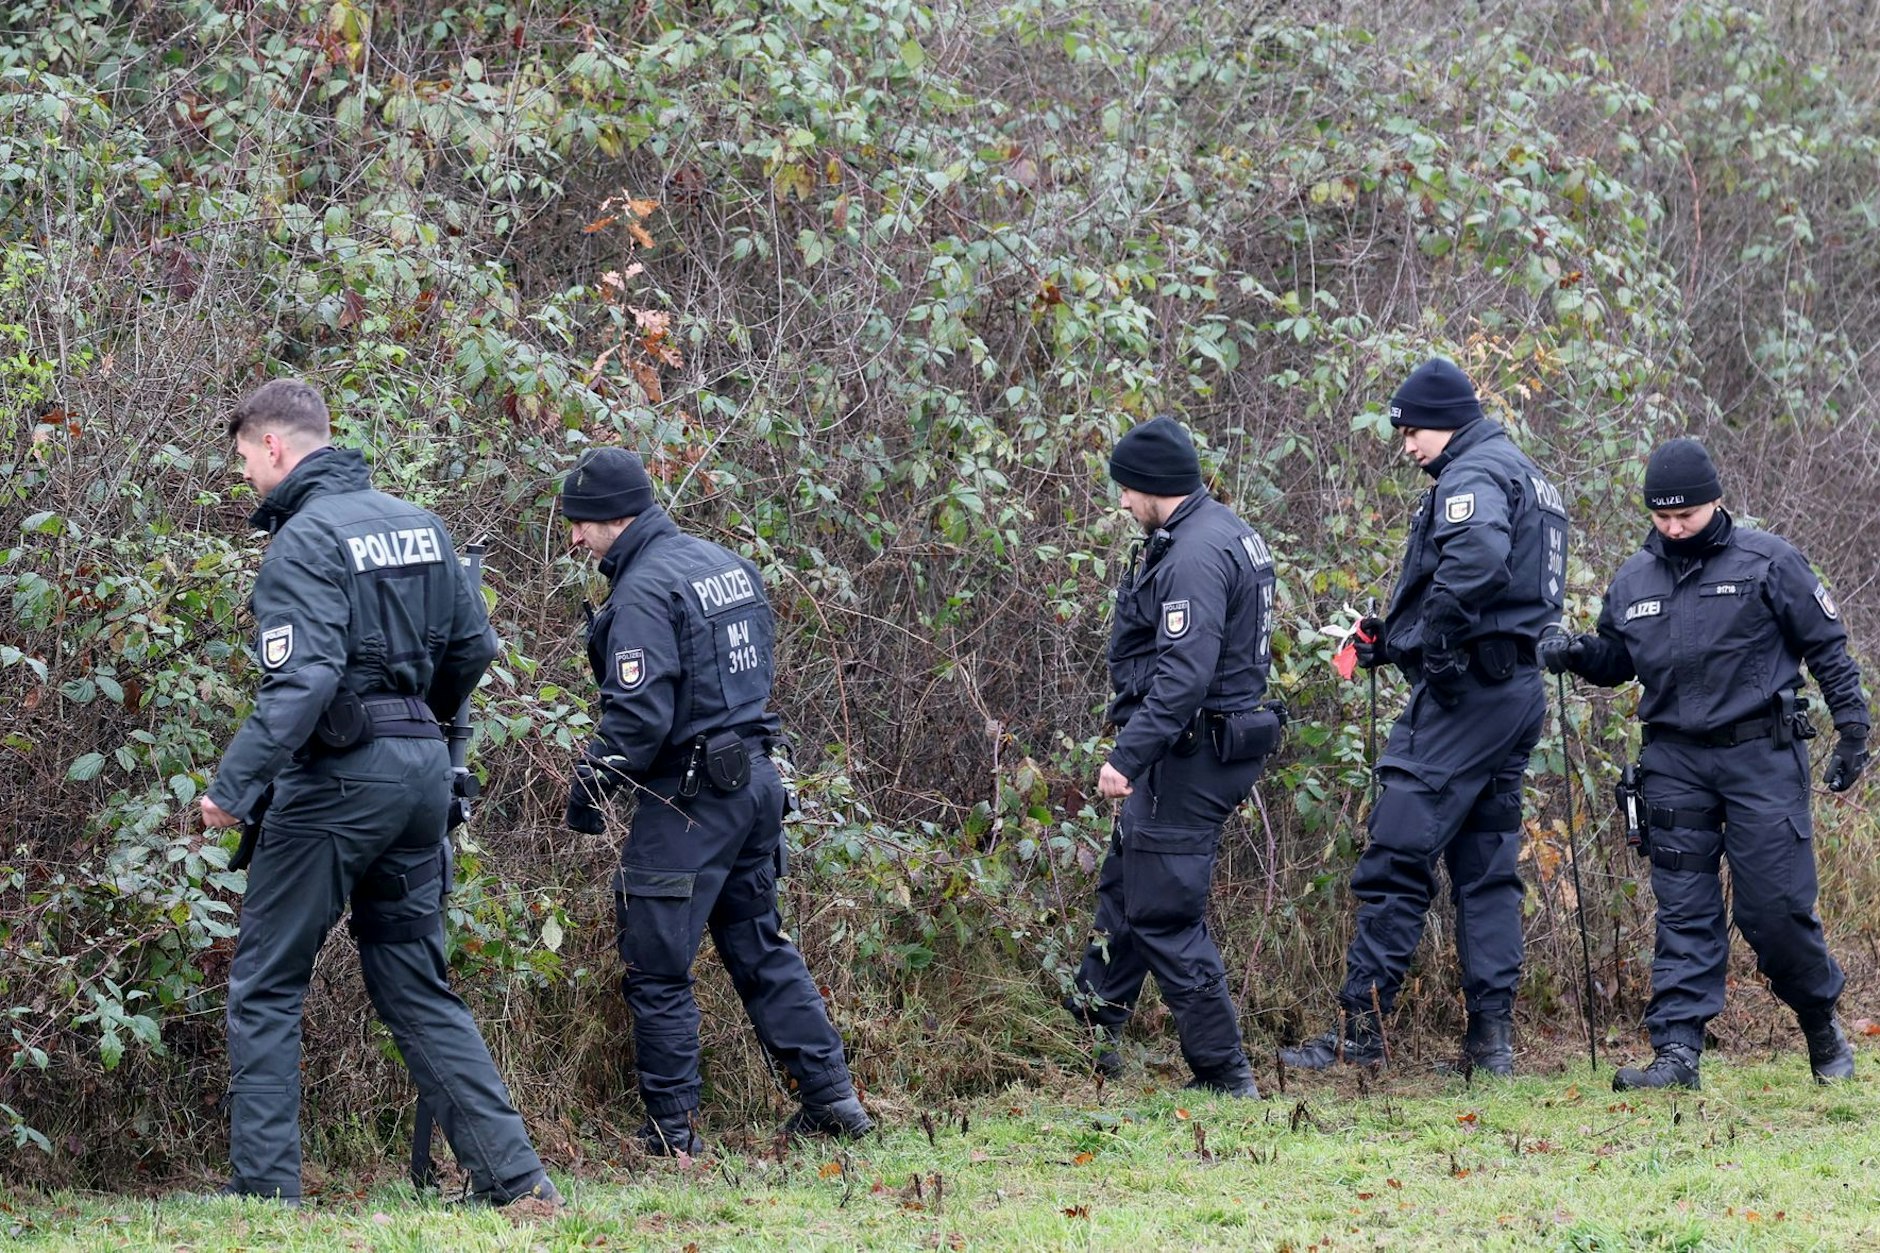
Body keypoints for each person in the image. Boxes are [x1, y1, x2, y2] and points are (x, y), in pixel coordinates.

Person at [199, 379, 555, 1205]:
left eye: (247, 458)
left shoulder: (304, 539)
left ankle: (263, 1190)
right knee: (411, 980)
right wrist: (417, 728)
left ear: (276, 446)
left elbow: (305, 680)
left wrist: (233, 787)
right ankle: (515, 1179)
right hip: (423, 774)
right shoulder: (421, 524)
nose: (249, 476)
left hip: (337, 785)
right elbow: (474, 647)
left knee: (267, 976)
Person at [560, 446, 872, 1155]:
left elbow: (638, 717)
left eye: (579, 523)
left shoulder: (642, 590)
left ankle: (672, 1132)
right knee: (758, 941)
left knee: (656, 961)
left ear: (614, 515)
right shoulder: (725, 564)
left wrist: (591, 783)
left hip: (688, 799)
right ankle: (832, 1098)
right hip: (756, 782)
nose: (574, 538)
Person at [1541, 437, 1867, 1090]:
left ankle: (1818, 1019)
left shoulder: (1769, 562)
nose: (1673, 527)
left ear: (1714, 500)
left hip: (1761, 755)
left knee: (1773, 912)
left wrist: (1854, 728)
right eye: (1661, 517)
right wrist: (1576, 651)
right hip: (1673, 760)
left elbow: (1827, 646)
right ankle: (1677, 1053)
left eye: (1684, 515)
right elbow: (1617, 658)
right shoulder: (1634, 578)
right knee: (1684, 909)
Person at [1279, 358, 1569, 1077]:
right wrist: (1395, 638)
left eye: (1412, 431)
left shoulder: (1473, 474)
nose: (1407, 445)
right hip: (1513, 689)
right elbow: (1497, 592)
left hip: (1465, 698)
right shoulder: (1523, 472)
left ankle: (1361, 1034)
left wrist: (1436, 642)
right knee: (1486, 865)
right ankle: (1490, 1043)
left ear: (1447, 420)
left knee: (1397, 849)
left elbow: (1475, 561)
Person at [1062, 415, 1282, 1097]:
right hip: (1202, 744)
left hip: (1190, 752)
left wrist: (1126, 756)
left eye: (1127, 489)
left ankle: (1224, 1072)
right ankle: (1092, 1030)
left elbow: (1184, 677)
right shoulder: (1218, 529)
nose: (1123, 502)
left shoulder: (1191, 554)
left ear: (1153, 485)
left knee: (1162, 910)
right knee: (1129, 884)